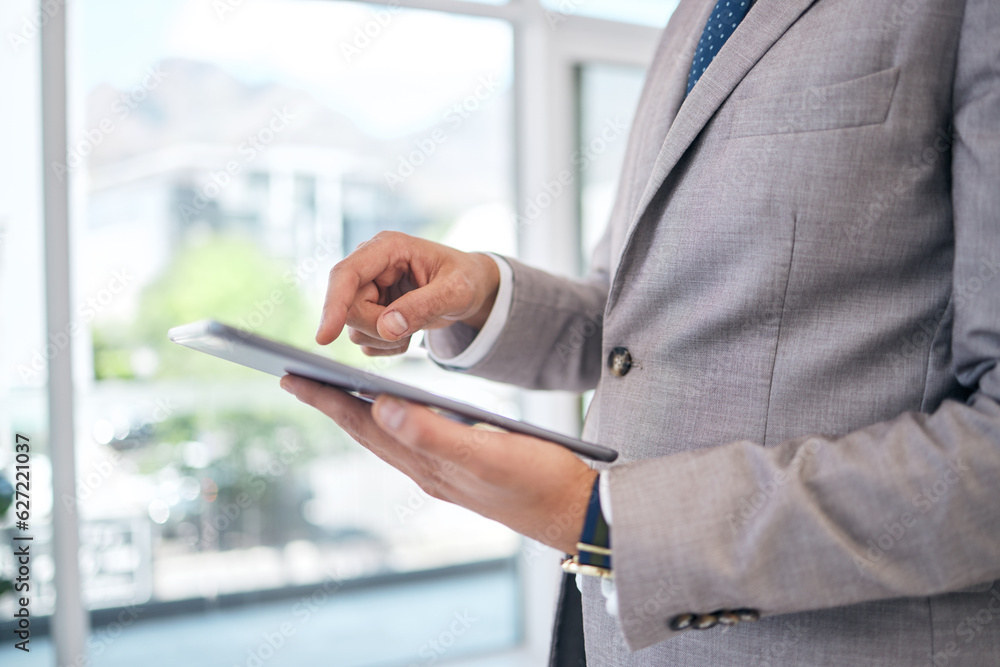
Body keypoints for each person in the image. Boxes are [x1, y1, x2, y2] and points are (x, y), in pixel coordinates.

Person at [280, 0, 1000, 664]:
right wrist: (481, 294)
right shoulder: (696, 16)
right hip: (601, 624)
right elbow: (631, 321)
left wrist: (605, 518)